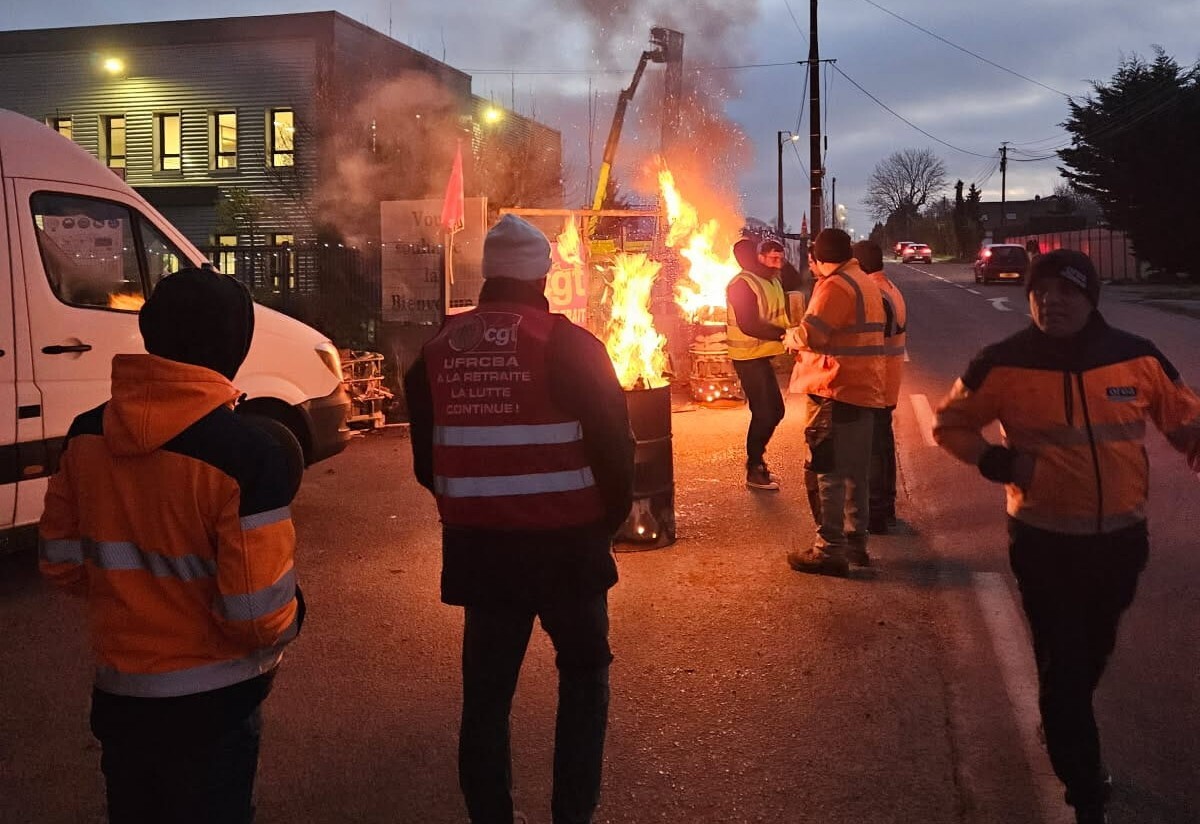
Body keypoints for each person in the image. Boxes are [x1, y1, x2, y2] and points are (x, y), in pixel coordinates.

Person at [933, 249, 1200, 824]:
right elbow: (950, 424)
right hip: (1043, 540)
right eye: (1041, 293)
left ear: (1090, 298)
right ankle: (1084, 788)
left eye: (1066, 292)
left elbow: (1185, 423)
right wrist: (998, 462)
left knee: (1090, 652)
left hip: (1122, 540)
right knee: (1066, 669)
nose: (1051, 302)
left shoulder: (1135, 356)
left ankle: (1063, 724)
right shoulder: (1001, 362)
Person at [39, 267, 303, 824]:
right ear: (233, 345)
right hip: (215, 709)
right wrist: (298, 611)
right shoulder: (246, 455)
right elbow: (258, 616)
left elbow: (61, 565)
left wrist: (130, 598)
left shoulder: (86, 436)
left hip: (121, 698)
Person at [403, 214, 635, 824]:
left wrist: (478, 503)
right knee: (583, 680)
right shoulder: (572, 345)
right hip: (568, 549)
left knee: (485, 699)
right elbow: (616, 451)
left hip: (481, 553)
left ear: (487, 274)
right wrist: (600, 527)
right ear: (543, 275)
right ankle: (572, 814)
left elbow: (428, 465)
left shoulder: (434, 351)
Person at [783, 228, 888, 576]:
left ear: (818, 258)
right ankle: (855, 542)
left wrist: (789, 336)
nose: (811, 268)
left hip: (833, 390)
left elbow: (812, 334)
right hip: (862, 389)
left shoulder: (835, 286)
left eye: (812, 261)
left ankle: (829, 549)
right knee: (856, 472)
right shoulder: (864, 281)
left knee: (827, 470)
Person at [726, 236, 803, 490]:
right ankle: (755, 467)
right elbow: (748, 324)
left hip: (762, 355)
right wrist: (783, 335)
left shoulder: (770, 278)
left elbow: (797, 281)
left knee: (774, 411)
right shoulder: (741, 284)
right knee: (766, 412)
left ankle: (756, 463)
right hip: (748, 358)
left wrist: (779, 256)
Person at [852, 239, 907, 533]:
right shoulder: (889, 287)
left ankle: (877, 512)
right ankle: (885, 507)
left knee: (874, 450)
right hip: (887, 381)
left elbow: (873, 340)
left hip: (876, 382)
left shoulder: (875, 293)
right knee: (883, 448)